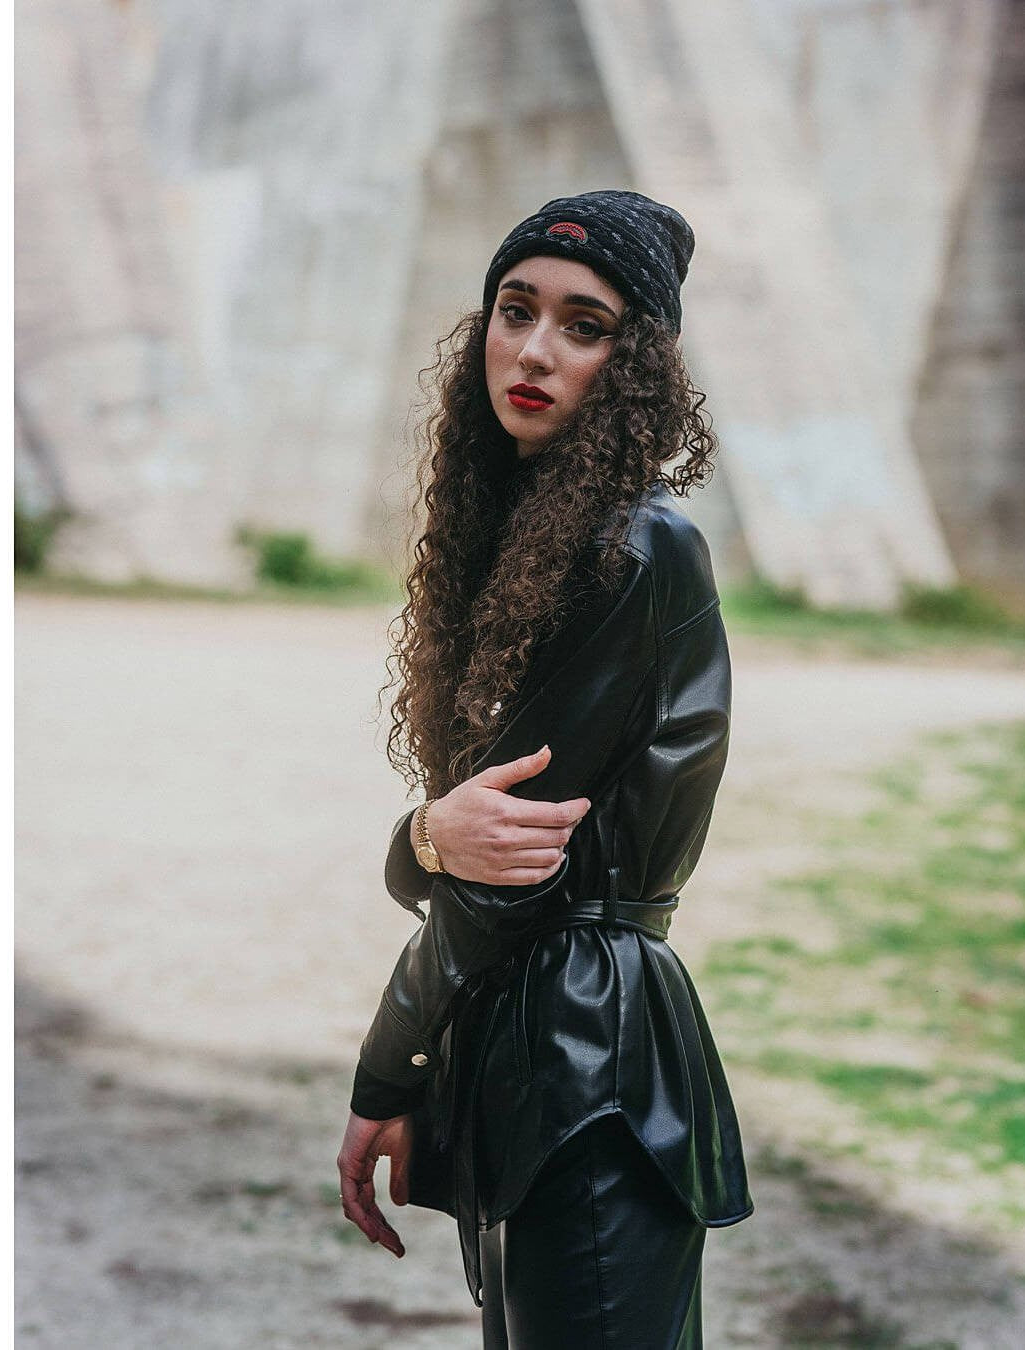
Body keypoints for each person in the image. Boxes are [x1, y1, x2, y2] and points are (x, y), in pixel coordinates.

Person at [336, 189, 754, 1347]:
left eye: (585, 325)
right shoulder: (533, 534)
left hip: (590, 1062)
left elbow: (502, 866)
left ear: (637, 365)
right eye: (516, 309)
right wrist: (426, 841)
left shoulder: (629, 549)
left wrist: (389, 1075)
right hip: (532, 1044)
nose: (532, 350)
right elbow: (459, 847)